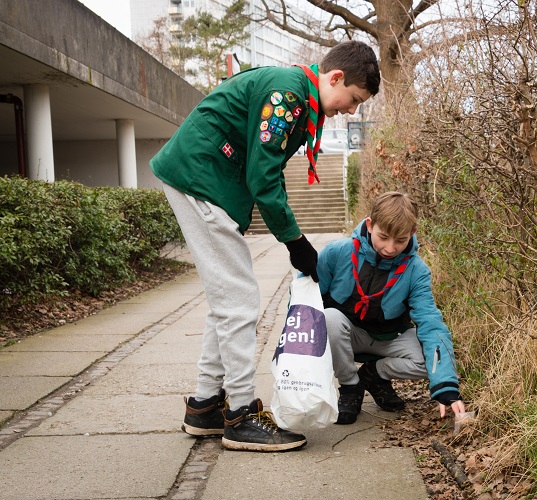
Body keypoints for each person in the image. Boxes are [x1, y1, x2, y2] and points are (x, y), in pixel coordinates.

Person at [150, 41, 380, 451]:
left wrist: (294, 238)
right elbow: (262, 177)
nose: (351, 110)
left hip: (206, 179)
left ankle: (205, 405)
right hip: (200, 178)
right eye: (354, 100)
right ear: (336, 78)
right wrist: (294, 240)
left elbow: (264, 167)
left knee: (228, 298)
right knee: (239, 301)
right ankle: (240, 415)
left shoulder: (294, 92)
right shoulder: (288, 94)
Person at [315, 191, 466, 424]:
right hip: (347, 334)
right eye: (383, 237)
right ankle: (350, 386)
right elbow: (306, 299)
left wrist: (447, 387)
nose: (390, 248)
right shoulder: (337, 253)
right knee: (329, 317)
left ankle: (374, 374)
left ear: (412, 234)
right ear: (370, 224)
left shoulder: (417, 270)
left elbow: (430, 322)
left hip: (390, 337)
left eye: (400, 240)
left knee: (430, 362)